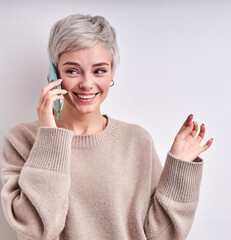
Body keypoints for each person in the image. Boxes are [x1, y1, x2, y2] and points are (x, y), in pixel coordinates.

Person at [0, 14, 213, 240]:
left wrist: (178, 168)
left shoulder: (137, 140)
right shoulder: (20, 140)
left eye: (99, 70)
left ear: (112, 72)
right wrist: (50, 138)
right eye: (72, 70)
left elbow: (160, 235)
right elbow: (36, 231)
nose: (87, 83)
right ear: (54, 73)